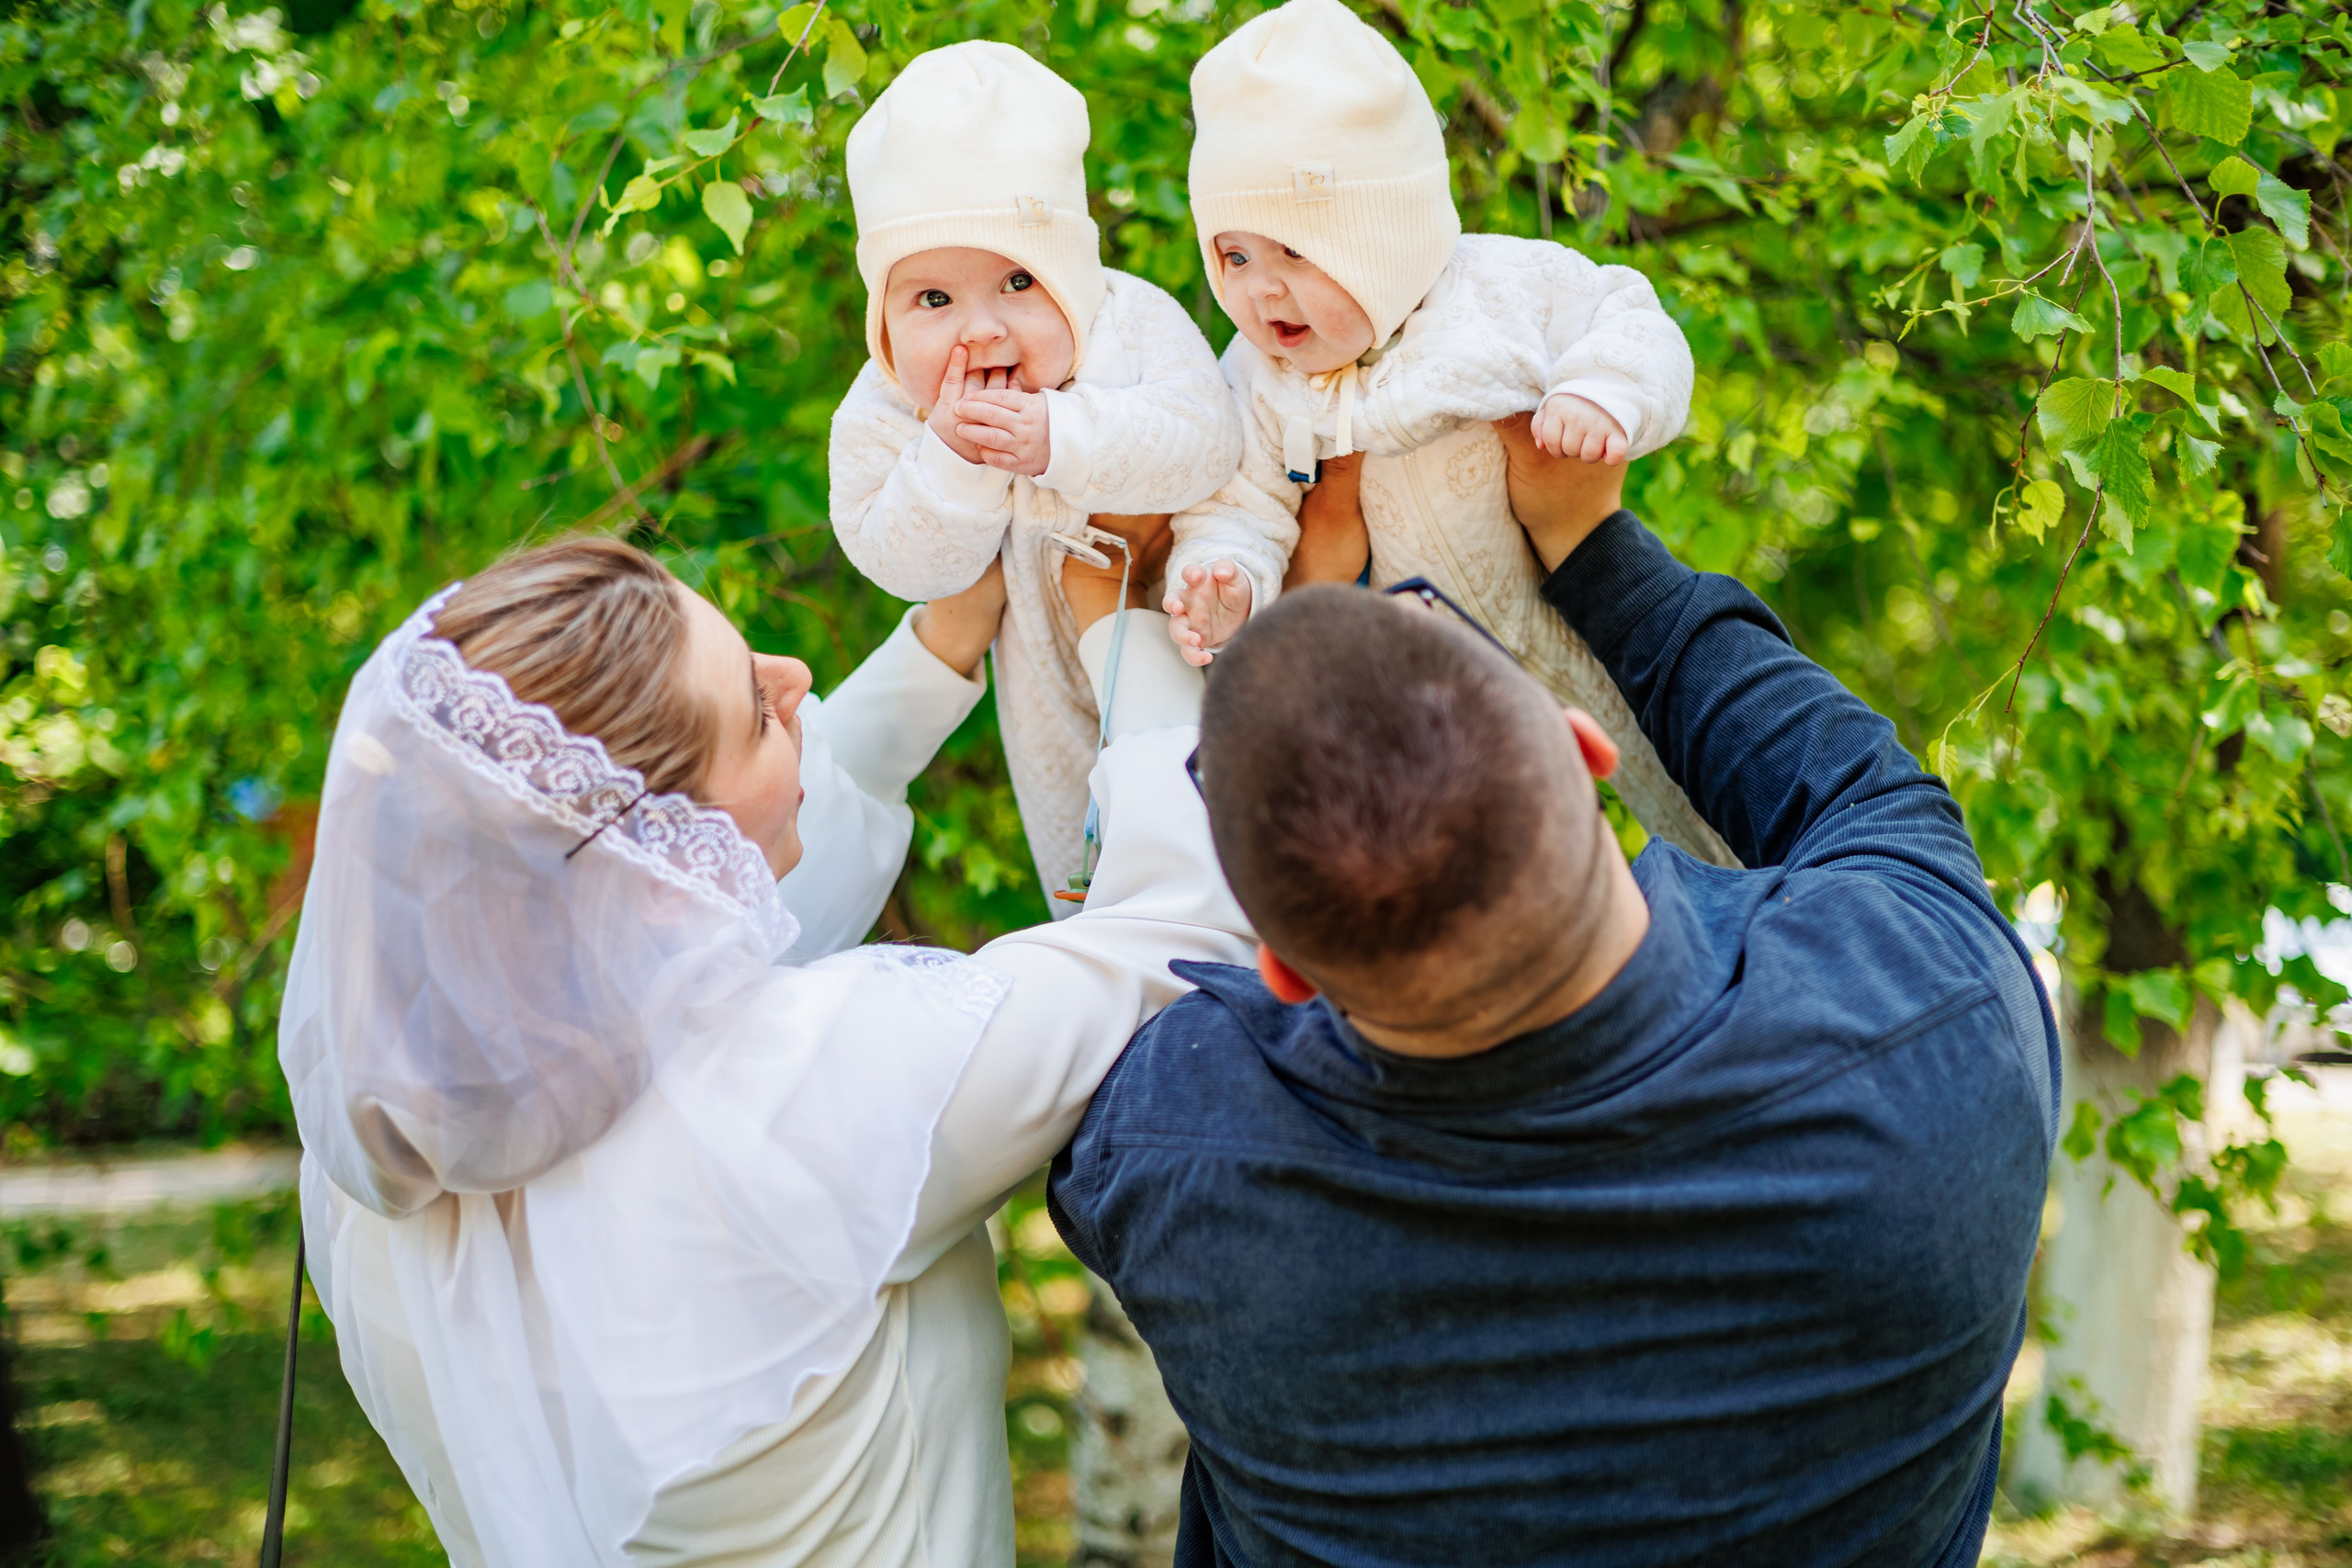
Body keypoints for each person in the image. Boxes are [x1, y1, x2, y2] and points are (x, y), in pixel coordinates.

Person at [1047, 439, 2062, 1567]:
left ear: (1282, 969)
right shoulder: (1934, 1024)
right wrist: (1592, 545)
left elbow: (1142, 941)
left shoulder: (1176, 1151)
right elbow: (1858, 788)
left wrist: (1139, 640)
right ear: (1585, 752)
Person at [285, 533, 1251, 1568]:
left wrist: (941, 643)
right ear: (658, 852)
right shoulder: (806, 1089)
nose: (794, 679)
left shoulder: (377, 1149)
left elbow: (699, 933)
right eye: (756, 709)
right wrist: (1123, 621)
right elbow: (1186, 926)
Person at [1154, 0, 1732, 866]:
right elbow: (1240, 500)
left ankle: (1773, 890)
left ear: (1382, 236)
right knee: (1521, 859)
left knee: (1689, 777)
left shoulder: (1501, 287)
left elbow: (1630, 318)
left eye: (1295, 254)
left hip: (1582, 608)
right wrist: (1230, 575)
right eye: (1234, 258)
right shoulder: (1257, 377)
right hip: (1435, 692)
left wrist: (1601, 393)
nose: (1262, 292)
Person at [829, 40, 1247, 906]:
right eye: (932, 301)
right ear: (884, 318)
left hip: (1185, 626)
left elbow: (1207, 438)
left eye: (1018, 280)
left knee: (1215, 832)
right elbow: (900, 559)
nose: (979, 330)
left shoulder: (1128, 324)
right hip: (1038, 688)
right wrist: (955, 461)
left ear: (1074, 275)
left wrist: (1063, 435)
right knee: (1079, 866)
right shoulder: (883, 404)